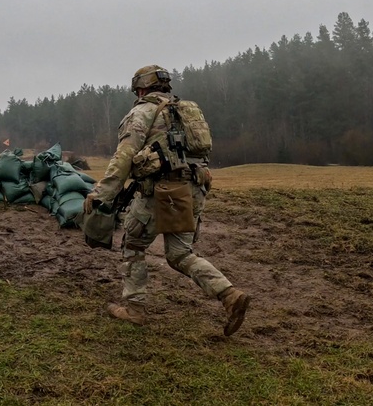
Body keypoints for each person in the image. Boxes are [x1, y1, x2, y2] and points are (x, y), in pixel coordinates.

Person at [84, 64, 251, 335]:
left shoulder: (142, 112)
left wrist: (101, 193)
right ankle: (229, 295)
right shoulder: (187, 111)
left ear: (139, 89)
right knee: (180, 254)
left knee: (133, 245)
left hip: (160, 192)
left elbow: (124, 157)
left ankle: (135, 310)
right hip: (194, 188)